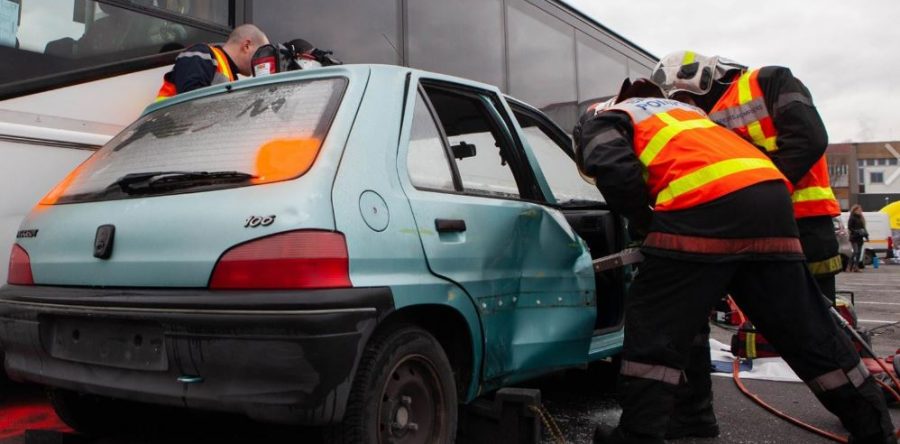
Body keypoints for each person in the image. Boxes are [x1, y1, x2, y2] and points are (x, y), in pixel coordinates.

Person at [575, 79, 895, 444]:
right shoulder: (683, 114)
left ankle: (638, 435)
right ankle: (875, 430)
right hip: (770, 198)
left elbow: (617, 173)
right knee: (807, 330)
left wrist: (648, 226)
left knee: (655, 328)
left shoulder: (601, 118)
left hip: (701, 202)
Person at [650, 50, 843, 438]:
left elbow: (809, 138)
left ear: (701, 78)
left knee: (817, 329)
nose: (685, 106)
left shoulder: (768, 81)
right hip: (738, 228)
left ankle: (861, 412)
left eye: (685, 97)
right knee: (691, 317)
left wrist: (762, 189)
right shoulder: (699, 121)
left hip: (801, 224)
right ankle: (693, 416)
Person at [155, 24, 269, 101]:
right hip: (166, 129)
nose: (262, 61)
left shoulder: (230, 76)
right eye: (261, 53)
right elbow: (190, 101)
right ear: (247, 46)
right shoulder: (201, 54)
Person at [848, 204, 868, 272]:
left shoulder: (861, 218)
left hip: (860, 238)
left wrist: (866, 236)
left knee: (859, 253)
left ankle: (856, 267)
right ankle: (849, 266)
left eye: (860, 210)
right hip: (854, 237)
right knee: (855, 252)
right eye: (858, 210)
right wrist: (856, 231)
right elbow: (850, 227)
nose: (860, 211)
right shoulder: (852, 218)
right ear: (854, 210)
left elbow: (864, 228)